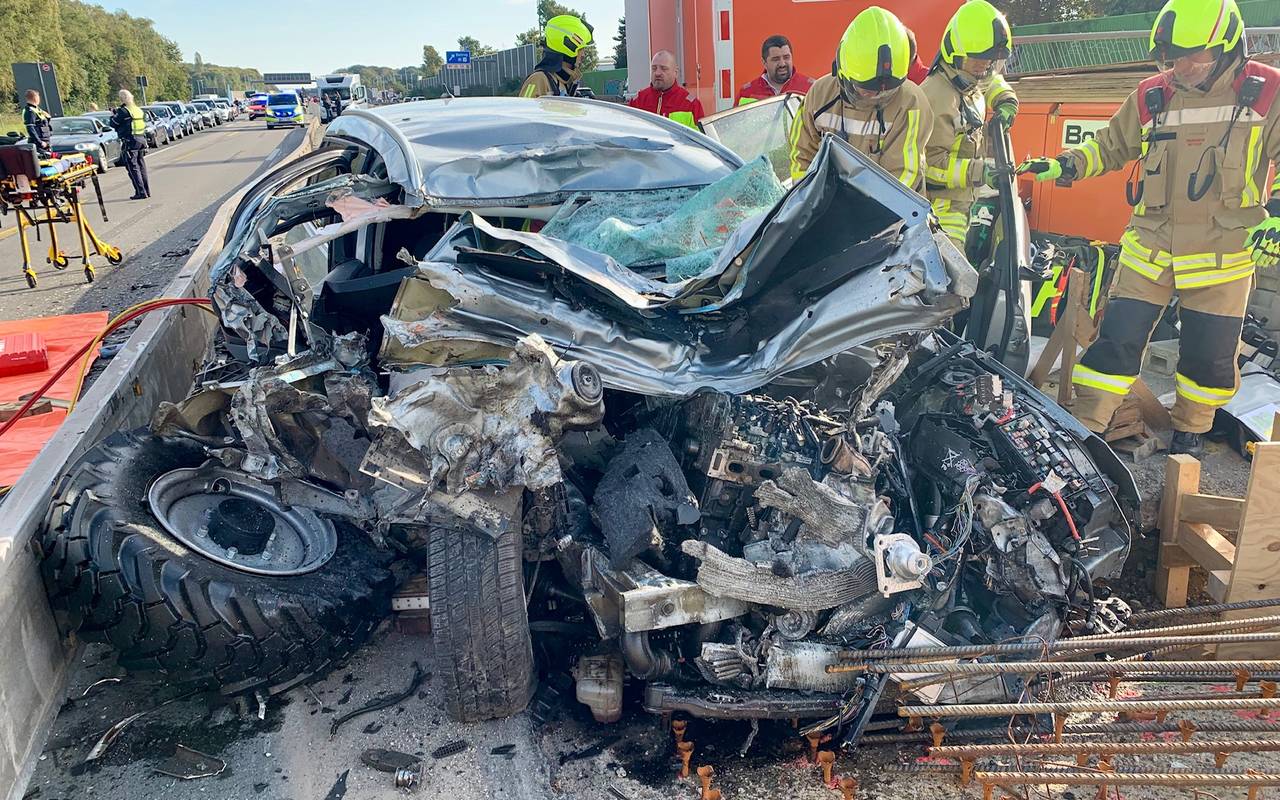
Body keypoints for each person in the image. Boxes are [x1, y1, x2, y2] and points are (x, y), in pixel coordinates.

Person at [1020, 0, 1280, 457]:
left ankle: (1190, 432)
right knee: (1115, 341)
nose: (1178, 66)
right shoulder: (1150, 95)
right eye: (1169, 57)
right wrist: (1065, 164)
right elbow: (1108, 147)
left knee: (1209, 358)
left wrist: (1275, 216)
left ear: (1225, 49)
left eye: (1188, 56)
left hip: (1224, 253)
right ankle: (1085, 431)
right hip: (1151, 244)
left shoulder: (1267, 93)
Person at [788, 6, 933, 193]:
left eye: (886, 91)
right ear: (843, 73)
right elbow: (801, 155)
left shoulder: (911, 103)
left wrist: (858, 215)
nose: (875, 96)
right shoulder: (819, 95)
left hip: (887, 216)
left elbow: (902, 178)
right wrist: (805, 201)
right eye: (865, 89)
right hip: (827, 209)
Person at [920, 0, 1018, 247]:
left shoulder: (967, 77)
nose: (984, 67)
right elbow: (928, 166)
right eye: (978, 60)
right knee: (954, 280)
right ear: (955, 51)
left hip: (963, 202)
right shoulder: (936, 97)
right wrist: (980, 171)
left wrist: (1006, 100)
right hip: (939, 209)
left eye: (989, 61)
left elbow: (992, 81)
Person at [519, 13, 594, 98]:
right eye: (581, 49)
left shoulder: (566, 82)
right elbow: (524, 108)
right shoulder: (538, 79)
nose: (583, 55)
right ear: (569, 47)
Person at [628, 51, 705, 128]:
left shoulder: (691, 105)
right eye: (654, 68)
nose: (657, 73)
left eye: (664, 69)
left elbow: (701, 138)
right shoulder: (637, 101)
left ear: (676, 73)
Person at [737, 35, 816, 105]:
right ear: (764, 62)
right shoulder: (747, 93)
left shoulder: (811, 87)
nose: (782, 64)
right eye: (776, 59)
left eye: (786, 57)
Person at [112, 89, 150, 200]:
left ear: (122, 99)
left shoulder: (123, 111)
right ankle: (146, 190)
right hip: (141, 139)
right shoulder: (138, 110)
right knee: (141, 165)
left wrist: (113, 115)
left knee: (133, 167)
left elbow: (113, 124)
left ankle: (141, 192)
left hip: (130, 141)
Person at [22, 89, 53, 156]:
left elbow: (44, 124)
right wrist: (40, 142)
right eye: (38, 97)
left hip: (46, 142)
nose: (39, 99)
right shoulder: (30, 111)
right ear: (35, 98)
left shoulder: (37, 109)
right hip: (39, 144)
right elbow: (30, 128)